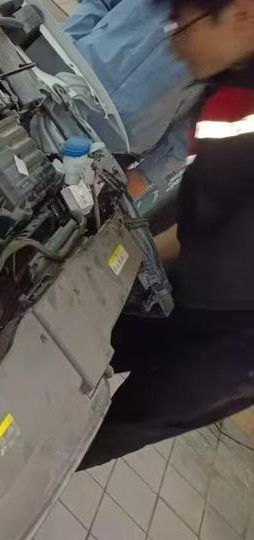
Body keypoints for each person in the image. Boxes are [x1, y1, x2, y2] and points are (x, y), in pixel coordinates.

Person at [79, 0, 254, 468]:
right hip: (197, 275)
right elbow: (208, 210)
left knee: (124, 423)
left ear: (243, 15)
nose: (173, 43)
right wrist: (119, 262)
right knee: (82, 333)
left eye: (183, 25)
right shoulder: (227, 80)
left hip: (239, 341)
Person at [64, 0, 205, 202]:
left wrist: (145, 175)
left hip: (111, 150)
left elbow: (204, 117)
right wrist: (64, 44)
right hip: (60, 86)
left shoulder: (237, 34)